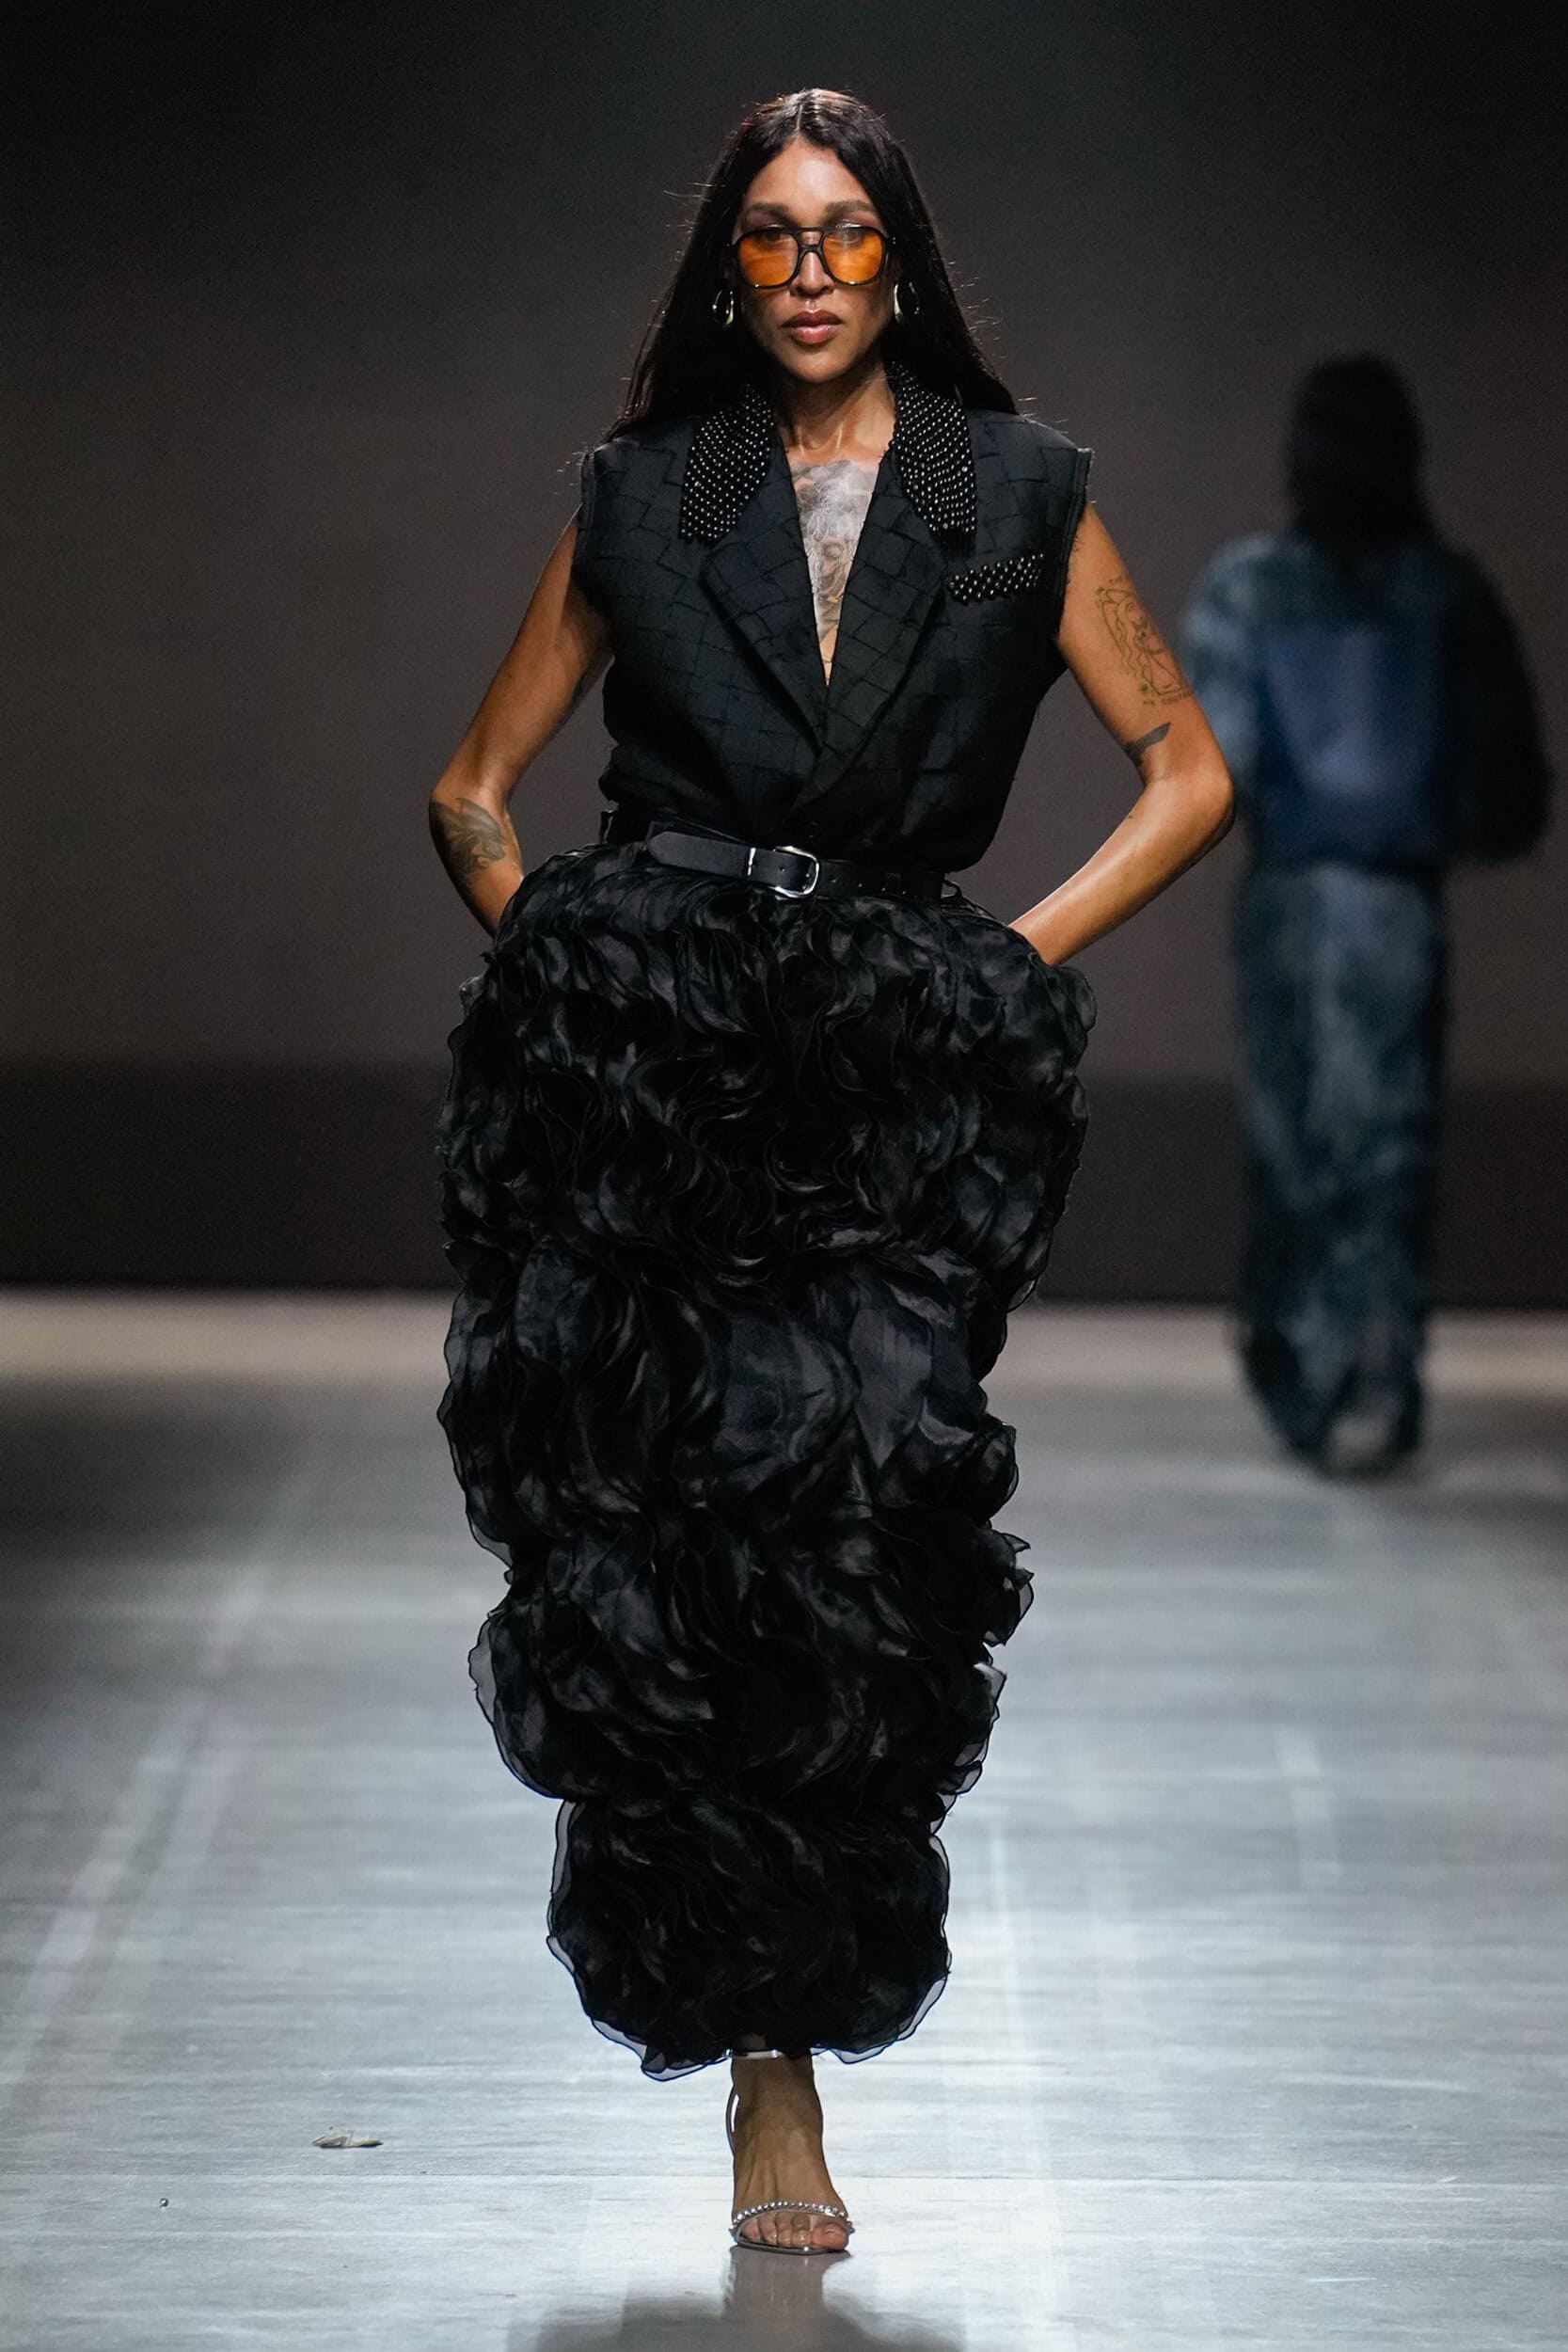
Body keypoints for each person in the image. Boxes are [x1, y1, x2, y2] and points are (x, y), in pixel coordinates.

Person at [429, 87, 1233, 2254]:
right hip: (655, 1087)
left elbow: (1186, 770)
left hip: (881, 1082)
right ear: (728, 267)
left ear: (899, 261)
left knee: (861, 1539)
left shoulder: (1019, 493)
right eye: (772, 236)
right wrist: (581, 979)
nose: (808, 271)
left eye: (845, 233)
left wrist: (993, 966)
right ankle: (763, 2070)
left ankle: (788, 2017)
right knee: (668, 1559)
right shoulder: (639, 494)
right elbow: (472, 789)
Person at [1182, 356, 1550, 1478]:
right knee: (1384, 1141)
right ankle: (1371, 1372)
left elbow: (1215, 772)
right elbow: (1510, 792)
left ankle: (1306, 1363)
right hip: (1393, 905)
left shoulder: (1248, 589)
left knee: (1294, 1138)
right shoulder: (1445, 592)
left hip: (1293, 897)